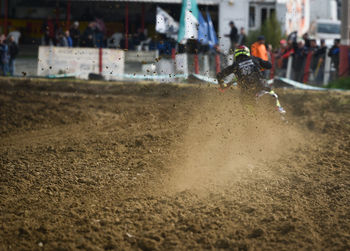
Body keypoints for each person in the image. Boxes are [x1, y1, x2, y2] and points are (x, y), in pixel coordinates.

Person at [216, 45, 286, 115]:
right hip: (262, 87)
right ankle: (278, 108)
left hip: (247, 93)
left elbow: (219, 75)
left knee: (248, 111)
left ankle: (251, 118)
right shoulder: (254, 59)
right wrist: (260, 64)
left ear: (236, 54)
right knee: (272, 94)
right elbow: (269, 65)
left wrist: (223, 85)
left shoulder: (235, 65)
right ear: (247, 52)